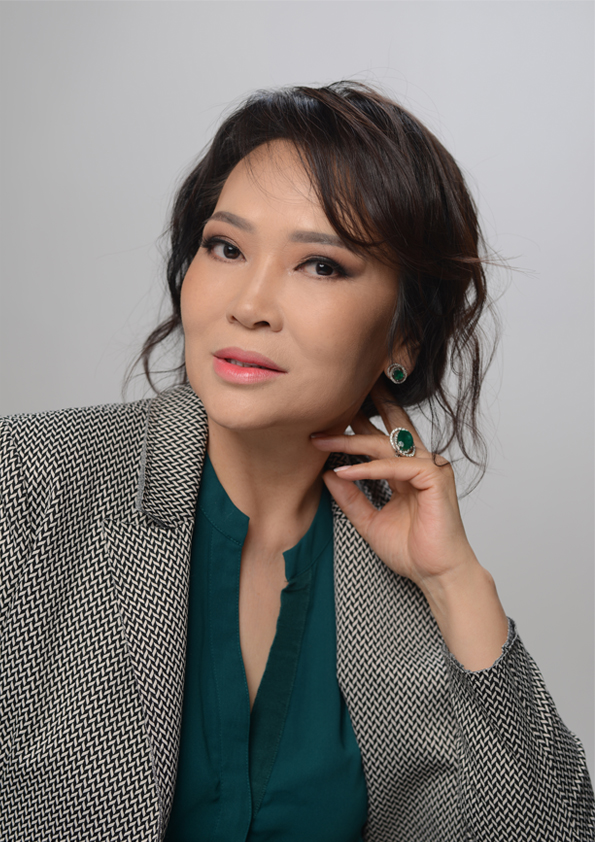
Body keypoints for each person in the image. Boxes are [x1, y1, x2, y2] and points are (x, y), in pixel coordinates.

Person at [1, 82, 593, 842]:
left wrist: (455, 582)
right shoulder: (26, 483)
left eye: (319, 265)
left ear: (403, 338)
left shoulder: (405, 576)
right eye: (226, 248)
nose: (248, 304)